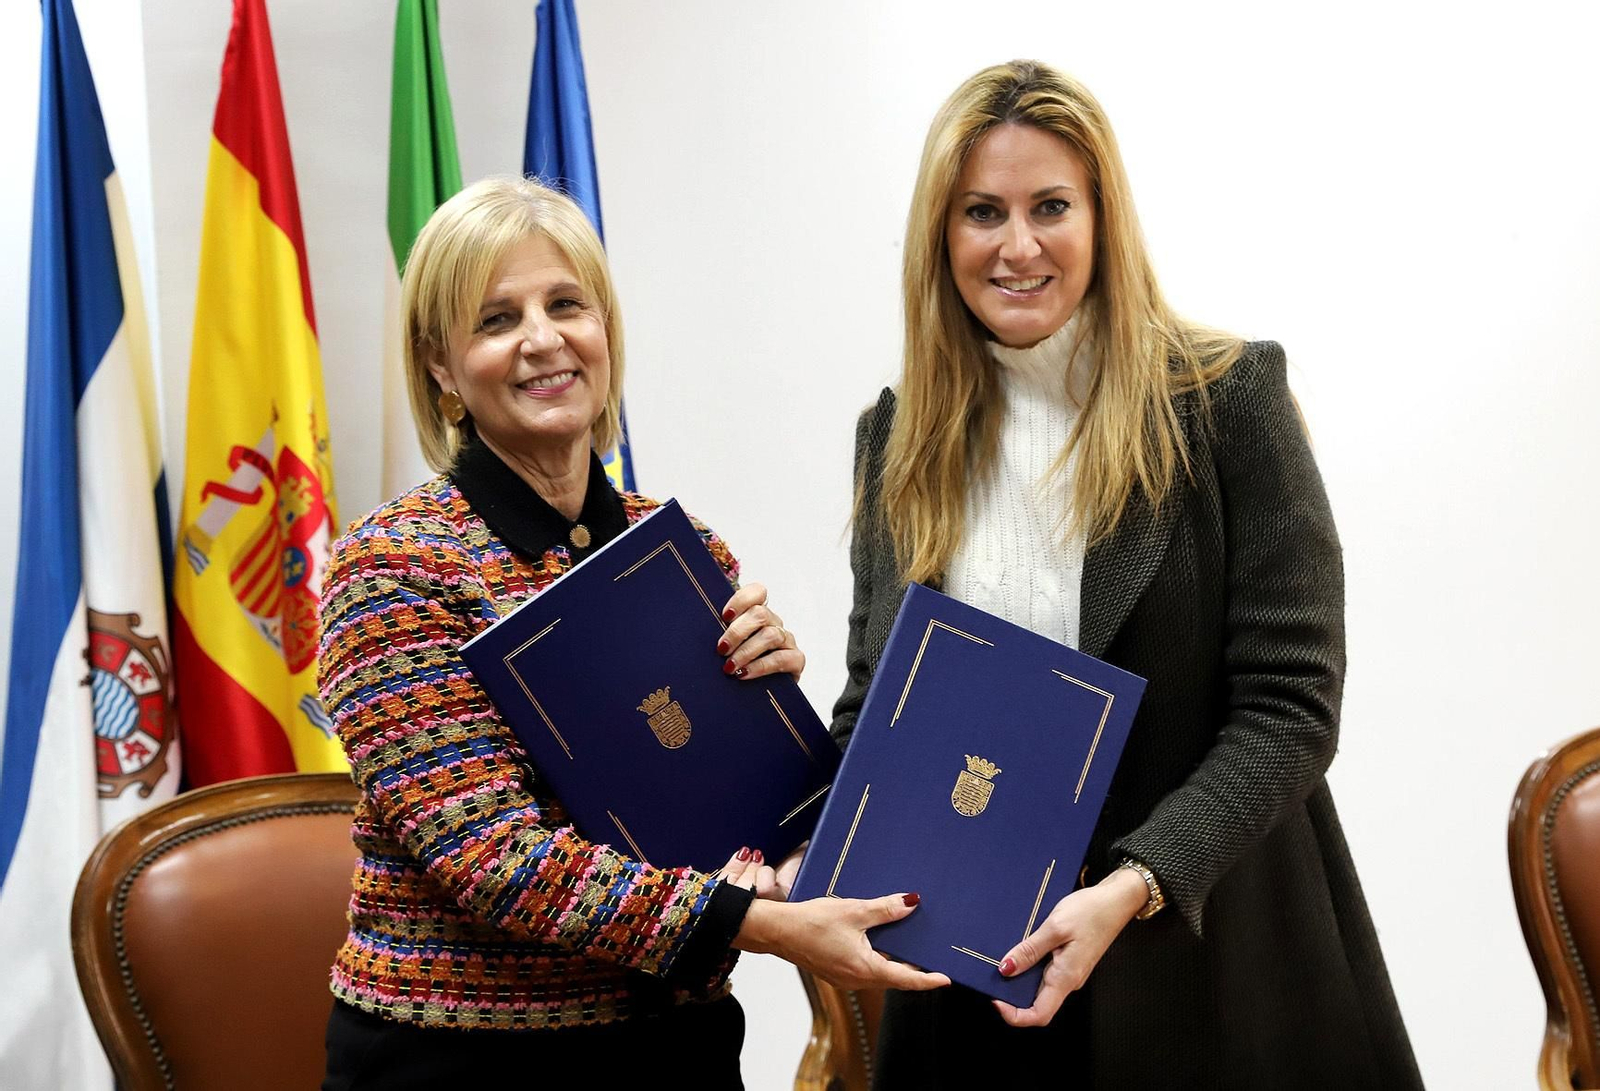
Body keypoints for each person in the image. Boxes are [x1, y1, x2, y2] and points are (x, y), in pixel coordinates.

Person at [829, 61, 1424, 1089]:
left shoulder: (1225, 400)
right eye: (982, 211)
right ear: (941, 236)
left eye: (1049, 205)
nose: (1018, 244)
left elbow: (1291, 706)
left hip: (1209, 964)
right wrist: (772, 778)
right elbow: (876, 710)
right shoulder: (896, 439)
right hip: (973, 991)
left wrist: (1136, 880)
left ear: (1102, 219)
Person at [318, 176, 947, 1091]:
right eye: (496, 319)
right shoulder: (393, 567)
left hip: (674, 1047)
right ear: (443, 369)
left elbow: (730, 828)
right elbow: (491, 859)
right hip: (464, 1064)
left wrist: (773, 736)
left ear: (604, 331)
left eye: (566, 303)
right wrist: (753, 920)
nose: (542, 338)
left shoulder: (683, 555)